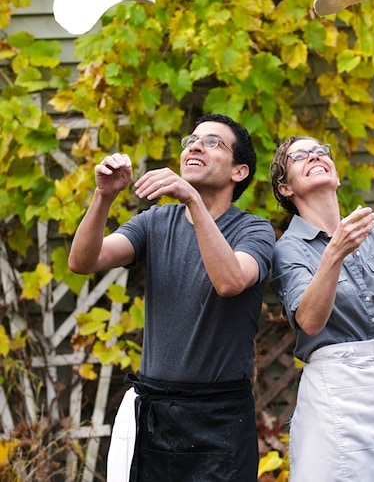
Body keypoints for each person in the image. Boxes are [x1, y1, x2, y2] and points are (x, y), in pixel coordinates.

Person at [68, 113, 276, 482]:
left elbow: (229, 281)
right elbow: (84, 261)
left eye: (213, 142)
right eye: (192, 140)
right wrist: (104, 196)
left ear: (238, 172)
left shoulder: (253, 229)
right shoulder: (155, 222)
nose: (195, 145)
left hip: (221, 417)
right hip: (156, 413)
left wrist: (192, 200)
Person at [269, 136, 374, 482]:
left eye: (321, 151)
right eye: (300, 156)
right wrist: (334, 253)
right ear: (285, 188)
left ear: (334, 173)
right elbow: (309, 322)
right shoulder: (288, 249)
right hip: (333, 390)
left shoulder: (371, 234)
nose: (315, 156)